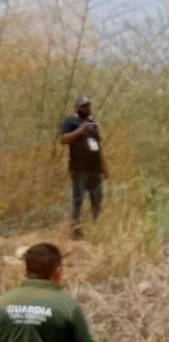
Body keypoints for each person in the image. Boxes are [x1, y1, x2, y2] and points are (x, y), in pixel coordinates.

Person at [58, 96, 107, 240]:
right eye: (83, 106)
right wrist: (80, 131)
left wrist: (104, 167)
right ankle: (75, 230)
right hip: (79, 168)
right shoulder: (70, 121)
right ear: (77, 108)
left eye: (88, 106)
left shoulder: (93, 123)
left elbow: (98, 147)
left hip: (95, 169)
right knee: (78, 199)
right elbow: (63, 140)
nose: (87, 108)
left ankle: (98, 230)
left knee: (97, 200)